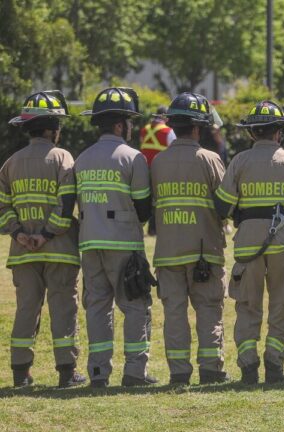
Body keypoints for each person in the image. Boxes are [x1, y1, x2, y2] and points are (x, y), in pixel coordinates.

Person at [214, 101, 284, 384]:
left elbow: (222, 206)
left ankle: (249, 366)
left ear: (252, 133)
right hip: (283, 242)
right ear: (280, 133)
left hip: (248, 245)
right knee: (281, 303)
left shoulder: (239, 161)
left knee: (247, 304)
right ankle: (275, 365)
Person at [1, 91, 85, 388]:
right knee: (63, 309)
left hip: (23, 252)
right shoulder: (63, 158)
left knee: (26, 310)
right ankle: (67, 373)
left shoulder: (11, 163)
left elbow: (2, 206)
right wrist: (46, 234)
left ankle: (21, 374)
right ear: (51, 129)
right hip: (59, 250)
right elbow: (66, 205)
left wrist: (19, 233)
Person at [77, 87, 154, 387]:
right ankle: (135, 372)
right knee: (135, 306)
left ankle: (98, 373)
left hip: (90, 243)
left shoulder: (81, 159)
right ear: (121, 125)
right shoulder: (133, 158)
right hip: (124, 245)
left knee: (97, 307)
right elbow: (144, 207)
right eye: (130, 122)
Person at [151, 93, 229, 385]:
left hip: (168, 251)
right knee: (209, 311)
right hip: (204, 251)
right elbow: (225, 205)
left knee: (174, 314)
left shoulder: (158, 161)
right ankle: (211, 370)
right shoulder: (210, 160)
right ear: (198, 128)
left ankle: (179, 373)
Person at [140, 106, 176, 236]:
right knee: (160, 199)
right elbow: (174, 150)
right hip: (162, 169)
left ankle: (149, 228)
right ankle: (155, 228)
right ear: (165, 117)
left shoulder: (145, 130)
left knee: (147, 198)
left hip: (144, 168)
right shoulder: (168, 131)